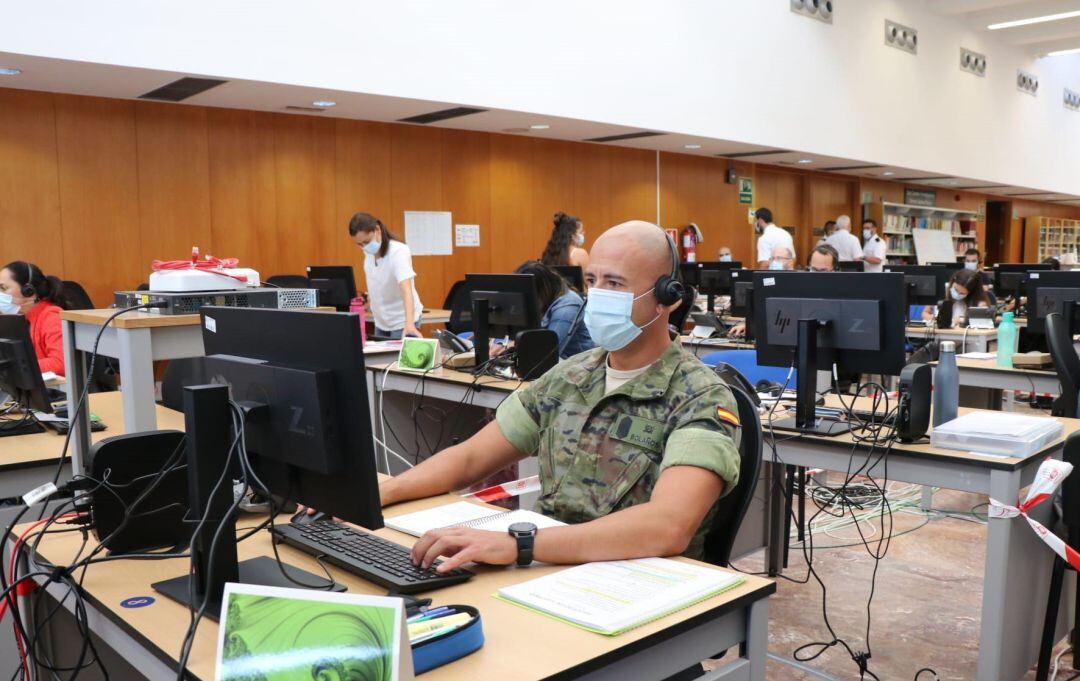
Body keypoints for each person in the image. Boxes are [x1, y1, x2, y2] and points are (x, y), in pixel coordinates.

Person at [378, 221, 740, 571]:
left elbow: (667, 525)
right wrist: (385, 493)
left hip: (637, 580)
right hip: (549, 566)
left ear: (667, 298)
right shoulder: (569, 376)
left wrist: (519, 545)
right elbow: (471, 458)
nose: (597, 295)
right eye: (591, 281)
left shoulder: (701, 397)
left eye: (614, 283)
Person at [494, 261, 595, 360]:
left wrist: (513, 346)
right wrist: (501, 342)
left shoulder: (568, 306)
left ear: (540, 290)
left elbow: (547, 351)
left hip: (579, 368)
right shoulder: (540, 301)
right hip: (555, 367)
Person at [349, 212, 423, 339]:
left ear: (377, 229)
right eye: (359, 244)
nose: (364, 247)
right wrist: (366, 306)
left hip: (402, 321)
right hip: (381, 323)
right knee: (380, 359)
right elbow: (376, 286)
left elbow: (406, 290)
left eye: (366, 242)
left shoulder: (398, 251)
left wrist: (409, 324)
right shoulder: (369, 254)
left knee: (396, 358)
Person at [0, 262, 67, 377]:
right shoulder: (17, 319)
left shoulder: (52, 316)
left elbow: (60, 364)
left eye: (3, 288)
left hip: (57, 392)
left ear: (28, 292)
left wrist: (15, 367)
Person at [728, 246, 795, 338]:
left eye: (779, 258)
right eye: (772, 259)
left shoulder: (795, 284)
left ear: (791, 261)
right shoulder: (768, 282)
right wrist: (749, 326)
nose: (774, 262)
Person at [922, 268, 991, 326]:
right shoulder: (942, 290)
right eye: (956, 289)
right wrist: (935, 319)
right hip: (939, 336)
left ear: (970, 293)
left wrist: (961, 320)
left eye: (962, 293)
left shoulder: (979, 301)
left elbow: (982, 321)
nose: (957, 294)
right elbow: (925, 313)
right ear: (953, 281)